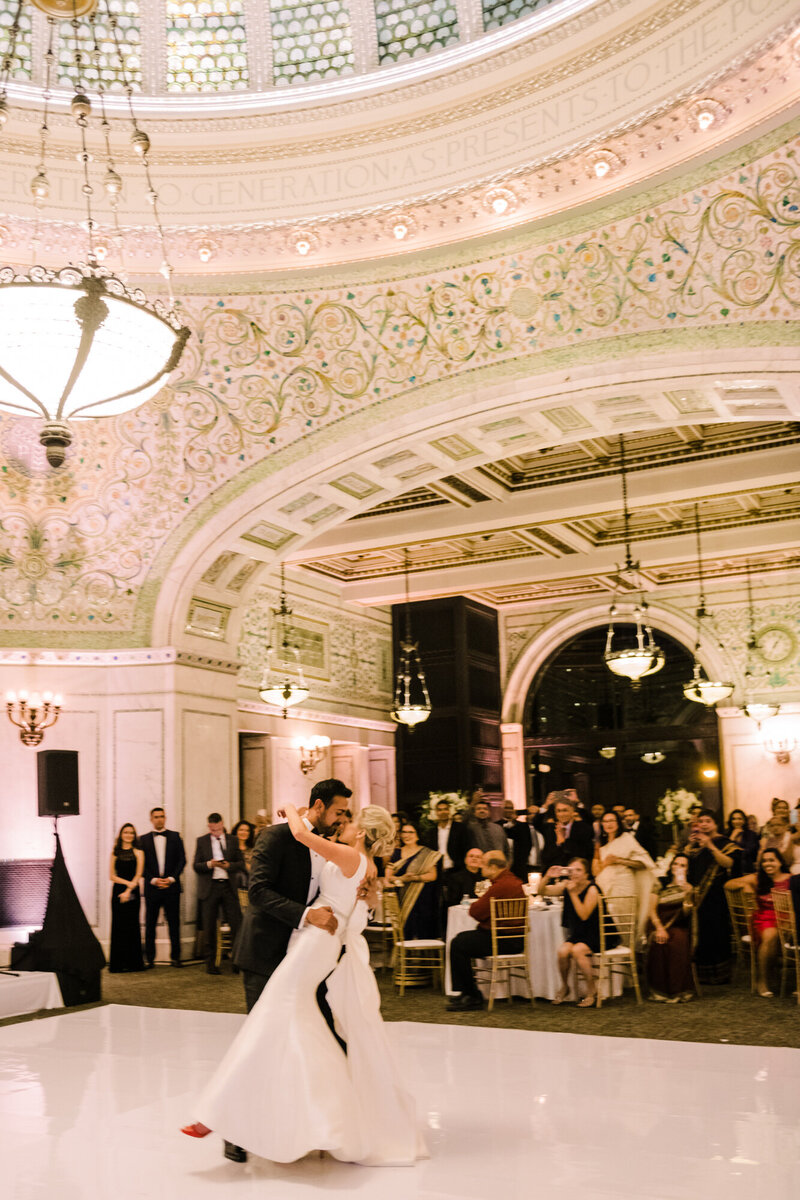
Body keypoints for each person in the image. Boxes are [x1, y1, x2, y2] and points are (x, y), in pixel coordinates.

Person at [183, 802, 424, 1166]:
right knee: (292, 1025)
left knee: (270, 1020)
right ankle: (314, 1117)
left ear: (360, 832)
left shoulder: (348, 856)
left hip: (315, 942)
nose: (344, 822)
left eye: (350, 820)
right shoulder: (365, 865)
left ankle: (219, 1117)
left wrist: (289, 811)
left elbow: (299, 834)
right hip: (317, 941)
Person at [446, 850, 525, 1011]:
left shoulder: (500, 886)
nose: (481, 868)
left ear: (494, 867)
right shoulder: (513, 881)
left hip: (503, 940)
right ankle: (467, 992)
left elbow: (475, 911)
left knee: (458, 944)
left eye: (484, 864)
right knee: (462, 939)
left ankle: (472, 995)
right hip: (511, 938)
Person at [725, 847, 791, 997]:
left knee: (791, 933)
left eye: (771, 860)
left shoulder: (791, 878)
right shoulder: (757, 878)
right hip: (764, 918)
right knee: (770, 936)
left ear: (780, 862)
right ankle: (762, 981)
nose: (767, 864)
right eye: (764, 861)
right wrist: (746, 885)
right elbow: (728, 884)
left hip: (787, 918)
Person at [540, 857, 606, 1008]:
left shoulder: (592, 889)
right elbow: (541, 891)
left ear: (586, 873)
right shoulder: (567, 885)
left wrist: (574, 893)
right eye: (571, 870)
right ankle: (565, 987)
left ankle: (591, 991)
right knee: (562, 951)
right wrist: (547, 876)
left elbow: (584, 915)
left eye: (578, 870)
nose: (574, 873)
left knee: (577, 951)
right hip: (579, 934)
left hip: (598, 934)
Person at [685, 808, 741, 984]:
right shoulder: (695, 845)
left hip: (716, 895)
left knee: (717, 932)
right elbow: (687, 867)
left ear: (716, 823)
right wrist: (688, 848)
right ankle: (701, 975)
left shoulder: (725, 843)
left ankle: (720, 976)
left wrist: (710, 846)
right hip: (698, 895)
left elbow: (729, 863)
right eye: (701, 821)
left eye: (708, 821)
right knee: (700, 933)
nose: (703, 824)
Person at [193, 813, 245, 975]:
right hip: (210, 888)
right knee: (209, 926)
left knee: (236, 924)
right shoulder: (201, 841)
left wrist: (228, 865)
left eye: (218, 829)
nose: (215, 831)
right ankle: (210, 964)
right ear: (209, 826)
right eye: (212, 829)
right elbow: (196, 865)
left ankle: (237, 961)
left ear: (222, 824)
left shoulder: (233, 840)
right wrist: (210, 864)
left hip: (228, 887)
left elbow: (241, 863)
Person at [592, 810, 656, 935]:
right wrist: (605, 864)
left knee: (625, 920)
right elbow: (595, 871)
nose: (608, 824)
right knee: (608, 923)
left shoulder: (627, 839)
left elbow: (643, 863)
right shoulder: (600, 844)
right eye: (605, 821)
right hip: (604, 886)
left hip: (623, 885)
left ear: (618, 823)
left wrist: (619, 860)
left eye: (612, 820)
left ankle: (629, 949)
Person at [139, 806, 186, 969]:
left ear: (165, 818)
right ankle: (149, 959)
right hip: (152, 888)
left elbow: (182, 860)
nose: (159, 819)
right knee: (150, 924)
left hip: (172, 888)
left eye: (162, 816)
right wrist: (153, 880)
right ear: (151, 819)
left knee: (174, 924)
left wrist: (171, 878)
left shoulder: (175, 836)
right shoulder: (142, 840)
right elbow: (140, 865)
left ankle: (176, 958)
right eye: (156, 817)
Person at [646, 852, 695, 1002]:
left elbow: (687, 912)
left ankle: (678, 991)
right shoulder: (660, 883)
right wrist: (659, 928)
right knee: (659, 942)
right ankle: (660, 992)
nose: (678, 867)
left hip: (678, 925)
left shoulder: (689, 887)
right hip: (658, 924)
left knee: (677, 942)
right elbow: (651, 910)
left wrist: (687, 894)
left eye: (683, 865)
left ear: (687, 869)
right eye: (676, 863)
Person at [384, 821, 441, 938]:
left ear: (418, 835)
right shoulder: (396, 852)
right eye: (404, 832)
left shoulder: (427, 853)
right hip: (403, 897)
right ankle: (407, 952)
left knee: (423, 930)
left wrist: (416, 878)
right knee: (406, 931)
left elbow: (432, 875)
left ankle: (425, 953)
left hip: (423, 897)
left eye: (411, 832)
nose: (406, 835)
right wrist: (402, 879)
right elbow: (388, 876)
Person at [108, 823, 144, 973]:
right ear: (121, 834)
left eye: (131, 833)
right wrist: (126, 885)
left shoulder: (139, 852)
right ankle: (118, 964)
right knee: (118, 926)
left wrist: (128, 890)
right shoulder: (114, 853)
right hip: (118, 891)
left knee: (132, 925)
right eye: (126, 832)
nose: (129, 835)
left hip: (133, 892)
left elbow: (138, 874)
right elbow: (111, 876)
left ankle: (134, 963)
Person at [539, 796, 594, 870]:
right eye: (558, 811)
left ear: (573, 811)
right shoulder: (550, 828)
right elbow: (546, 856)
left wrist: (563, 841)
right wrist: (545, 806)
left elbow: (583, 854)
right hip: (554, 873)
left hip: (576, 872)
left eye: (565, 810)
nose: (562, 814)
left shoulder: (583, 828)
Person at [422, 798, 468, 872]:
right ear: (436, 812)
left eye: (445, 809)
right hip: (437, 871)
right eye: (440, 810)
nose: (443, 812)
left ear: (449, 811)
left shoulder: (460, 828)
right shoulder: (432, 832)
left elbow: (466, 848)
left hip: (457, 869)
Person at [497, 799, 532, 881]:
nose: (509, 810)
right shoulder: (496, 825)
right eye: (506, 808)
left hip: (519, 866)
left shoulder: (523, 826)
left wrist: (513, 822)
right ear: (501, 809)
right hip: (500, 866)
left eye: (511, 808)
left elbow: (528, 844)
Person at [725, 808, 760, 875]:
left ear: (744, 821)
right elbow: (725, 852)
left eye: (739, 819)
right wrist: (732, 837)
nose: (736, 821)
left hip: (748, 869)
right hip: (731, 871)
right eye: (734, 819)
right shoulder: (726, 834)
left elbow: (750, 851)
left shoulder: (751, 834)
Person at [231, 819, 256, 888]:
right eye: (241, 830)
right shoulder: (230, 848)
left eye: (247, 830)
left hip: (248, 887)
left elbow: (254, 870)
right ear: (236, 831)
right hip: (231, 886)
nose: (244, 832)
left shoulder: (253, 850)